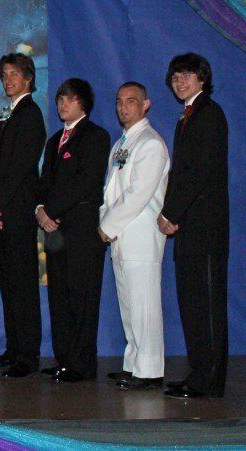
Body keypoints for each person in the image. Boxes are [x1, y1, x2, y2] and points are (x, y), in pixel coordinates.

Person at [158, 53, 229, 399]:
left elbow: (198, 172)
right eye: (175, 77)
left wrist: (170, 212)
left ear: (202, 79)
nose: (180, 82)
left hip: (204, 228)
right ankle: (199, 372)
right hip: (189, 227)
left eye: (186, 75)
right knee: (192, 305)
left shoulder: (208, 114)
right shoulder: (186, 118)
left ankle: (210, 379)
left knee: (207, 305)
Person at [36, 78, 110, 383]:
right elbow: (44, 181)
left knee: (82, 297)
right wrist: (40, 209)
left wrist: (52, 210)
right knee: (59, 298)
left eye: (69, 99)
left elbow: (87, 182)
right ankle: (64, 359)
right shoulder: (54, 140)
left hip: (81, 232)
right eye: (59, 99)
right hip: (54, 232)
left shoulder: (96, 136)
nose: (62, 104)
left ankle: (82, 364)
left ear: (83, 103)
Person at [99, 82, 170, 390]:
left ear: (145, 105)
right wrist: (106, 219)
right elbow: (110, 190)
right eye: (119, 102)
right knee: (128, 303)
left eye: (131, 101)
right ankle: (134, 362)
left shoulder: (151, 143)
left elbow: (139, 194)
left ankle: (150, 369)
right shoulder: (122, 144)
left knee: (144, 303)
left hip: (140, 234)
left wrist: (108, 225)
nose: (123, 107)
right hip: (120, 235)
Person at [0, 53, 46, 378]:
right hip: (1, 212)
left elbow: (22, 167)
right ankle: (13, 347)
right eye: (4, 74)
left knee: (23, 285)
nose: (8, 80)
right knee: (8, 283)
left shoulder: (31, 114)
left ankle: (28, 355)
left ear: (28, 78)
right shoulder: (5, 116)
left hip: (17, 213)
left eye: (14, 74)